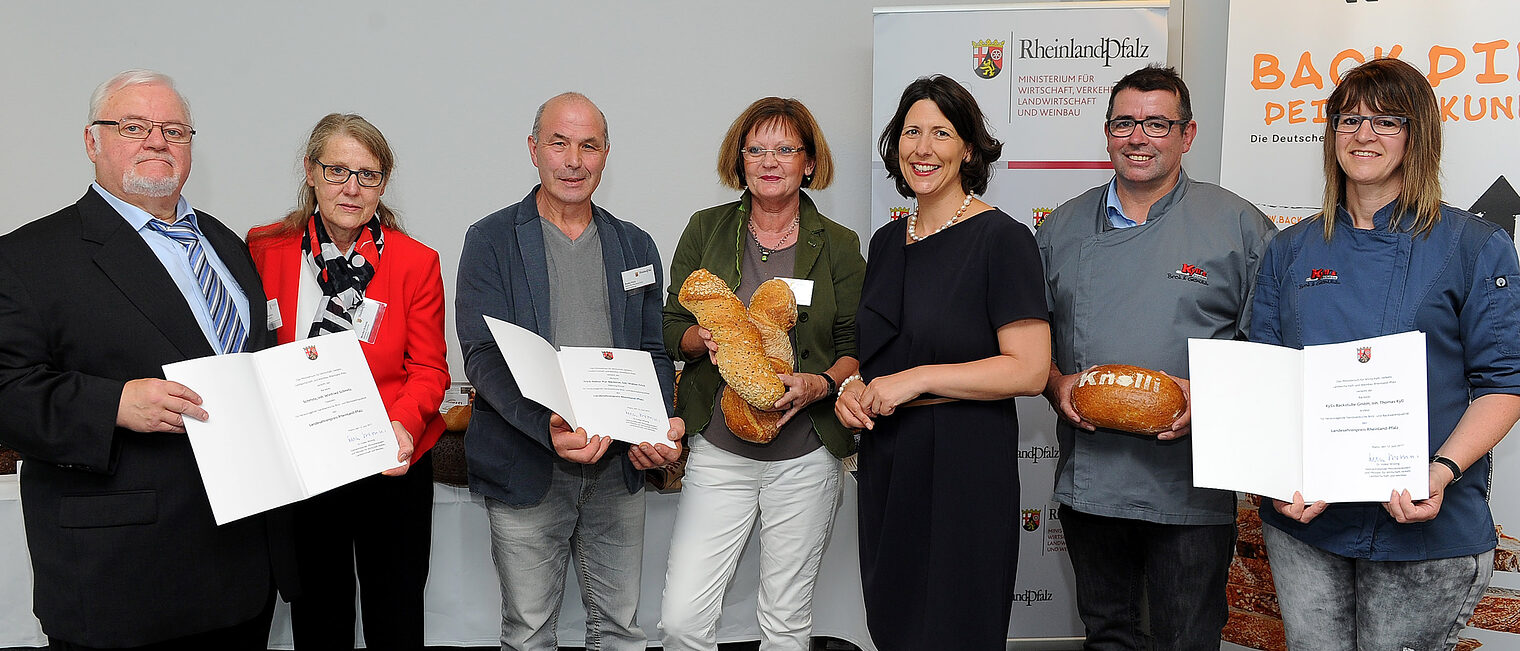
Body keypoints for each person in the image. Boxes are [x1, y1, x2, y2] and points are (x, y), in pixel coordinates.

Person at [0, 69, 296, 649]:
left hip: (240, 567)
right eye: (133, 126)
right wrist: (112, 403)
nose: (157, 140)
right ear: (92, 142)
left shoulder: (226, 244)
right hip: (122, 577)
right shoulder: (26, 257)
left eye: (174, 130)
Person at [1251, 57, 1520, 650]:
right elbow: (1264, 373)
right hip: (1307, 522)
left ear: (1418, 135)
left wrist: (1440, 472)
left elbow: (1504, 385)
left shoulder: (1474, 245)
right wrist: (1275, 472)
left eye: (1386, 121)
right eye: (1349, 119)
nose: (1363, 135)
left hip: (1424, 525)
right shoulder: (1290, 248)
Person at [1035, 65, 1276, 650]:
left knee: (1186, 640)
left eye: (1156, 124)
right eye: (1124, 123)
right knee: (1109, 635)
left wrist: (1212, 396)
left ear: (1187, 135)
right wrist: (1056, 383)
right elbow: (1026, 341)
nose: (1137, 137)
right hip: (1094, 481)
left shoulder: (1238, 226)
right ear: (1107, 132)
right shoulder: (1061, 227)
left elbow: (1274, 347)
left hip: (1191, 486)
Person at [455, 92, 684, 651]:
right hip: (528, 463)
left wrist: (656, 426)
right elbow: (483, 356)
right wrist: (549, 427)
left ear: (606, 155)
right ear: (534, 150)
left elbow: (653, 351)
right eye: (559, 143)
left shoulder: (636, 245)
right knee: (530, 632)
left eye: (589, 146)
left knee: (622, 632)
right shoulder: (490, 240)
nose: (574, 160)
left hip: (617, 469)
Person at [835, 74, 1050, 650]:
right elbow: (876, 354)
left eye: (940, 133)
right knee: (894, 622)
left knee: (957, 627)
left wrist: (918, 379)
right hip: (888, 460)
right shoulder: (884, 242)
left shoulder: (1002, 239)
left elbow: (1029, 370)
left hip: (966, 461)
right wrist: (855, 390)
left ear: (969, 149)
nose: (922, 148)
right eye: (911, 132)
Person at [659, 97, 865, 650]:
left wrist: (820, 383)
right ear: (739, 158)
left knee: (785, 620)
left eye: (784, 149)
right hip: (720, 450)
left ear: (809, 163)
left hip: (805, 455)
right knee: (681, 619)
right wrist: (701, 338)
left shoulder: (840, 246)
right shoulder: (706, 228)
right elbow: (668, 325)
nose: (769, 161)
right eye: (756, 149)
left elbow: (855, 346)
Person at [246, 113, 447, 650]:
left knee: (396, 614)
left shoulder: (415, 262)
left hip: (390, 460)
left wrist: (402, 428)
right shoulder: (265, 249)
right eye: (337, 171)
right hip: (306, 465)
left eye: (368, 174)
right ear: (310, 172)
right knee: (318, 615)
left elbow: (429, 369)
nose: (352, 188)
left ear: (383, 183)